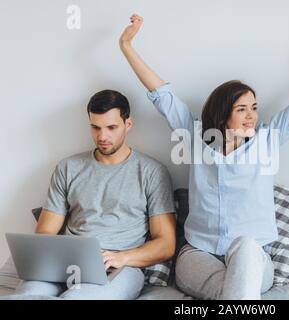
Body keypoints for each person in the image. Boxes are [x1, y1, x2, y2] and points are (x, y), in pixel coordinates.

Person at [119, 14, 289, 299]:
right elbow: (161, 94)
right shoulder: (195, 137)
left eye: (254, 108)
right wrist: (127, 46)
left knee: (244, 249)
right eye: (242, 109)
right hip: (199, 254)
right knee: (235, 290)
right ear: (223, 114)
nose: (252, 116)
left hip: (254, 258)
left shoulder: (268, 140)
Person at [13, 89, 176, 299]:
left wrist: (122, 258)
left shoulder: (152, 172)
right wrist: (65, 256)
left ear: (128, 124)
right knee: (29, 295)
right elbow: (45, 232)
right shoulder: (67, 168)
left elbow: (165, 244)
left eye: (111, 127)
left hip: (121, 267)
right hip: (66, 261)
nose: (102, 136)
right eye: (95, 127)